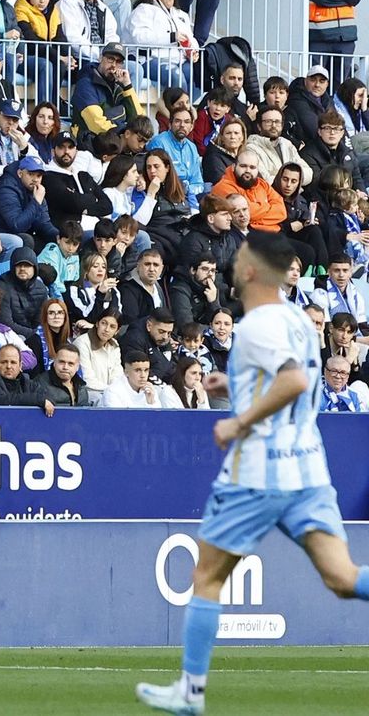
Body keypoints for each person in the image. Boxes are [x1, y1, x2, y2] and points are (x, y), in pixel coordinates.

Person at [136, 232, 369, 714]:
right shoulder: (298, 321)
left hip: (258, 472)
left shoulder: (260, 324)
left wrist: (239, 419)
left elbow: (294, 380)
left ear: (251, 271)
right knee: (344, 578)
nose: (234, 261)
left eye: (241, 257)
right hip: (307, 467)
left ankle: (190, 692)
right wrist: (237, 382)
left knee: (206, 576)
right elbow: (285, 373)